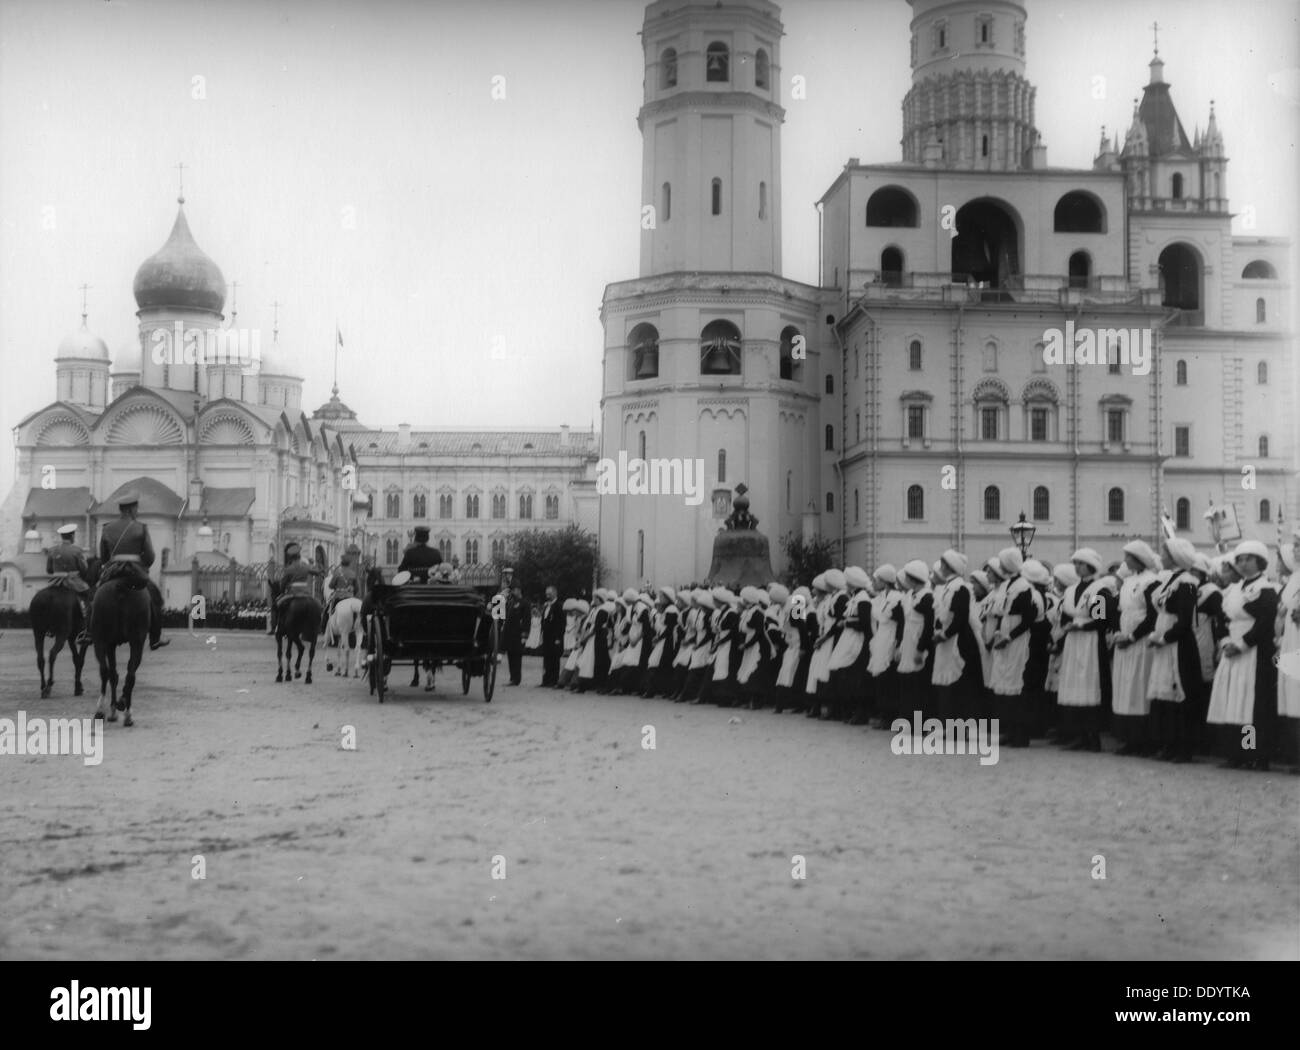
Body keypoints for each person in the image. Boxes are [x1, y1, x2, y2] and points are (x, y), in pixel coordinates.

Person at [1206, 540, 1279, 769]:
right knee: (1234, 703)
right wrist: (1226, 640)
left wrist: (1242, 644)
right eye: (1240, 560)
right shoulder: (1234, 591)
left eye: (1249, 559)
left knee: (1251, 706)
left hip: (1253, 653)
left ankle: (1255, 754)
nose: (1244, 564)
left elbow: (1265, 623)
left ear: (1260, 562)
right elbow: (1223, 620)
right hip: (1232, 651)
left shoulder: (1265, 589)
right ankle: (1236, 753)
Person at [1146, 538, 1204, 763]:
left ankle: (1184, 747)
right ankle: (1169, 744)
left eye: (1165, 553)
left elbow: (1184, 620)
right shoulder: (1170, 580)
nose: (1161, 556)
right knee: (1166, 696)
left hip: (1178, 645)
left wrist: (1165, 638)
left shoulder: (1187, 582)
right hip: (1164, 643)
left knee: (1180, 693)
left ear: (1176, 556)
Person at [89, 491, 170, 650]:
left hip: (112, 571)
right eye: (136, 508)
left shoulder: (107, 528)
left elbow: (104, 557)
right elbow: (150, 556)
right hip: (135, 572)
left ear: (121, 510)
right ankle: (154, 638)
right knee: (155, 598)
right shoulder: (141, 528)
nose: (137, 511)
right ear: (131, 510)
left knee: (95, 596)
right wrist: (142, 564)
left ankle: (88, 632)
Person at [1056, 548, 1115, 751]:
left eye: (1081, 563)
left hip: (1090, 642)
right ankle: (1080, 734)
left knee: (1090, 684)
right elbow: (1066, 614)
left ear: (1091, 565)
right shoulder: (1071, 590)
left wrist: (1080, 626)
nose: (1077, 567)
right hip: (1074, 642)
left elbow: (1101, 620)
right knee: (1074, 685)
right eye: (1076, 563)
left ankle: (1093, 736)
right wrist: (1067, 627)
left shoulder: (1099, 589)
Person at [1110, 540, 1162, 756]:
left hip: (1140, 644)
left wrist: (1132, 636)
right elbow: (1118, 612)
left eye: (1129, 557)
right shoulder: (1127, 582)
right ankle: (1129, 738)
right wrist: (1117, 633)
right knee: (1125, 688)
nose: (1125, 561)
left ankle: (1144, 740)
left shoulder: (1152, 581)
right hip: (1125, 643)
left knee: (1139, 688)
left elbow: (1152, 616)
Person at [51, 523, 93, 640]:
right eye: (73, 535)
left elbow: (49, 569)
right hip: (73, 581)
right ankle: (87, 629)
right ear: (72, 536)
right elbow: (83, 570)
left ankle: (50, 627)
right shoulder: (77, 550)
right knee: (89, 599)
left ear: (62, 537)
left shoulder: (53, 550)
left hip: (56, 582)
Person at [273, 541, 324, 633]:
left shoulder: (288, 569)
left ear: (290, 558)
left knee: (278, 605)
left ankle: (279, 626)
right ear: (299, 556)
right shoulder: (305, 567)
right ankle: (318, 626)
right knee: (319, 606)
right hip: (306, 593)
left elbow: (283, 583)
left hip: (292, 593)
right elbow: (317, 572)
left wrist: (282, 591)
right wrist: (316, 568)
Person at [320, 551, 360, 635]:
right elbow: (357, 588)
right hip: (350, 597)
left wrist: (337, 588)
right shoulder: (353, 574)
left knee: (327, 611)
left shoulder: (337, 573)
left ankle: (325, 629)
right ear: (349, 564)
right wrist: (352, 593)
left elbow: (330, 586)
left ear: (341, 564)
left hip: (338, 598)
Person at [504, 585, 530, 686]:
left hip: (518, 635)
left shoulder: (524, 603)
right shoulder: (511, 603)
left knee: (517, 657)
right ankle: (512, 677)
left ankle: (516, 678)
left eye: (514, 590)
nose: (512, 592)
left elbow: (526, 620)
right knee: (511, 656)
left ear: (518, 591)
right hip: (510, 635)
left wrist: (524, 635)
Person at [539, 585, 565, 687]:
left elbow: (562, 623)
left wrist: (559, 637)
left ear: (555, 593)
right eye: (546, 594)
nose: (547, 595)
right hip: (546, 636)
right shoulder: (546, 605)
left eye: (549, 594)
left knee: (554, 659)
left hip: (555, 637)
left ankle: (554, 680)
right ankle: (545, 680)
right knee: (546, 659)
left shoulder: (559, 606)